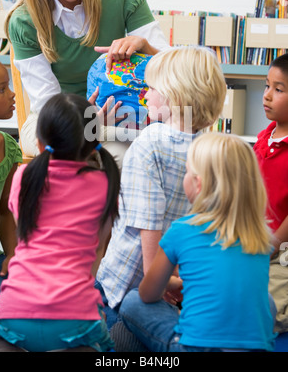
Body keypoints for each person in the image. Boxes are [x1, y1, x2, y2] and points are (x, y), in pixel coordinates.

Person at [6, 0, 169, 162]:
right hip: (55, 118)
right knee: (114, 154)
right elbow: (48, 103)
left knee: (149, 148)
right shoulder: (24, 21)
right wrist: (90, 121)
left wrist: (146, 47)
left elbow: (177, 72)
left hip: (121, 113)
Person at [96, 46, 227, 328]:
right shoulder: (208, 147)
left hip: (128, 283)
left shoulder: (151, 141)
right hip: (174, 283)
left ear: (174, 96)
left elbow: (148, 223)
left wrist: (154, 277)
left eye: (151, 88)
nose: (144, 94)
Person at [118, 132, 276, 352]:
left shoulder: (182, 230)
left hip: (195, 348)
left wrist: (173, 284)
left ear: (198, 184)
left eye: (187, 172)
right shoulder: (261, 236)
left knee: (132, 301)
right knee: (265, 298)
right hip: (255, 348)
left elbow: (148, 294)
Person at [0, 93, 120, 352]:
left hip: (14, 314)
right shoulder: (106, 184)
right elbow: (98, 253)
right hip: (75, 319)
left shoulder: (23, 177)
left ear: (39, 144)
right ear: (95, 141)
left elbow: (27, 234)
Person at [253, 52, 288, 333]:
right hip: (255, 239)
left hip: (282, 249)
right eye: (267, 86)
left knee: (269, 314)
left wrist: (273, 244)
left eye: (278, 90)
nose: (266, 95)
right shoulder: (265, 136)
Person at [0, 54, 22, 316]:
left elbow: (4, 211)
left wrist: (12, 253)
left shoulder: (9, 147)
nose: (12, 95)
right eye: (2, 89)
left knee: (21, 289)